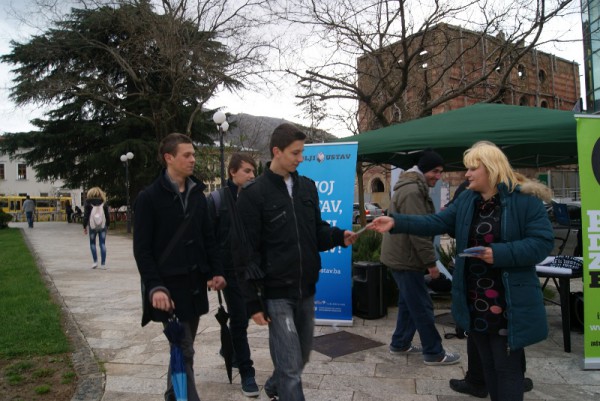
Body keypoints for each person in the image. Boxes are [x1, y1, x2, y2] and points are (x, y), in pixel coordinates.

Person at [369, 141, 554, 401]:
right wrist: (396, 221)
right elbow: (437, 222)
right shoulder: (469, 198)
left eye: (472, 169)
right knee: (487, 363)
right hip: (474, 298)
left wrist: (498, 253)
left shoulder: (525, 200)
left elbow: (542, 243)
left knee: (507, 368)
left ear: (490, 168)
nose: (466, 175)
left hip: (507, 300)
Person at [236, 123, 357, 401]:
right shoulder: (253, 195)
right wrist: (252, 303)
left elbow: (316, 231)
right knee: (291, 366)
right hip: (276, 293)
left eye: (302, 152)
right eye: (295, 152)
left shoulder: (308, 188)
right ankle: (285, 385)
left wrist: (340, 236)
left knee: (300, 357)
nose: (301, 158)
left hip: (306, 289)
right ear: (276, 152)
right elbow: (244, 253)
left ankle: (275, 385)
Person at [133, 132, 226, 401]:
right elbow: (142, 250)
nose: (193, 159)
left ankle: (173, 394)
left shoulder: (198, 194)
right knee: (184, 349)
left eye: (194, 154)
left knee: (182, 348)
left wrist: (215, 271)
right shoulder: (149, 198)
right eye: (187, 155)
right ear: (169, 158)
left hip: (194, 288)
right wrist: (155, 287)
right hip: (167, 292)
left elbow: (208, 238)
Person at [380, 149, 460, 365]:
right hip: (406, 258)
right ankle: (434, 353)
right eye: (435, 171)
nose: (438, 176)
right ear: (423, 169)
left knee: (409, 302)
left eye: (441, 172)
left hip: (402, 256)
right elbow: (418, 231)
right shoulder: (413, 191)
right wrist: (431, 264)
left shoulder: (413, 187)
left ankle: (400, 343)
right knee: (422, 305)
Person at [207, 153, 260, 397]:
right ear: (232, 172)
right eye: (247, 171)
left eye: (254, 172)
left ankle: (232, 349)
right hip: (229, 271)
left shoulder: (256, 198)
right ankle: (247, 372)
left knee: (244, 317)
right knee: (239, 318)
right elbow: (208, 239)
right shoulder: (217, 200)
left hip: (251, 269)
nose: (252, 176)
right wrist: (214, 272)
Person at [83, 187, 110, 269]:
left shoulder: (88, 203)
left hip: (92, 226)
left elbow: (86, 215)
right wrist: (107, 225)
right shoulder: (104, 202)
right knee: (102, 244)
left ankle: (95, 262)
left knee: (92, 243)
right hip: (102, 225)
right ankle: (103, 264)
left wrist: (84, 226)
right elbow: (107, 215)